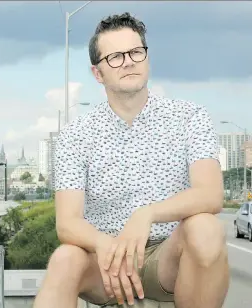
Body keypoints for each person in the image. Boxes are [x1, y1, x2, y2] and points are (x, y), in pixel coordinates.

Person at [33, 12, 229, 308]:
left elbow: (211, 195)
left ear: (147, 58)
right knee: (64, 258)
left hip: (169, 257)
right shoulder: (76, 134)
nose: (128, 61)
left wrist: (146, 214)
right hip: (104, 263)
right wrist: (108, 246)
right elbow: (68, 224)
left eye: (136, 52)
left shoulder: (189, 117)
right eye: (115, 57)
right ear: (98, 73)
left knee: (206, 227)